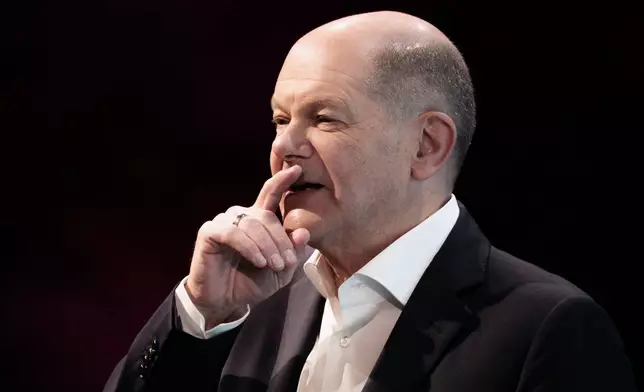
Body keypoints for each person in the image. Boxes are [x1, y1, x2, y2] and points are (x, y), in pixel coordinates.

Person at [103, 10, 637, 392]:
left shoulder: (548, 328)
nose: (284, 147)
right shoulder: (250, 303)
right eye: (280, 119)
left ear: (426, 145)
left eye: (325, 118)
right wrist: (202, 313)